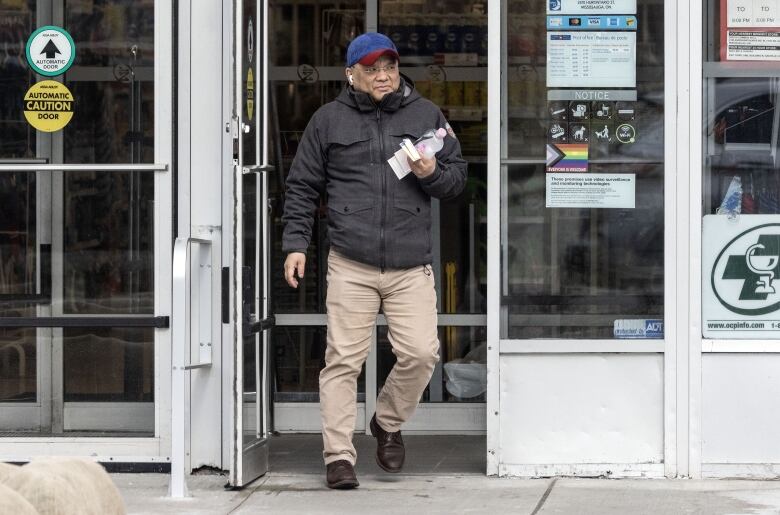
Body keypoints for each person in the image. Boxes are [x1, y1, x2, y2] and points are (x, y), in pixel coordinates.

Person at [282, 32, 467, 490]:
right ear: (352, 75)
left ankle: (386, 421)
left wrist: (431, 173)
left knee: (422, 354)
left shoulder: (426, 115)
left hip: (409, 263)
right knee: (342, 360)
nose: (383, 75)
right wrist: (295, 244)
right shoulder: (327, 121)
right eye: (371, 69)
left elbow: (457, 181)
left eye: (389, 66)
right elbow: (302, 186)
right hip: (351, 261)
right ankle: (339, 456)